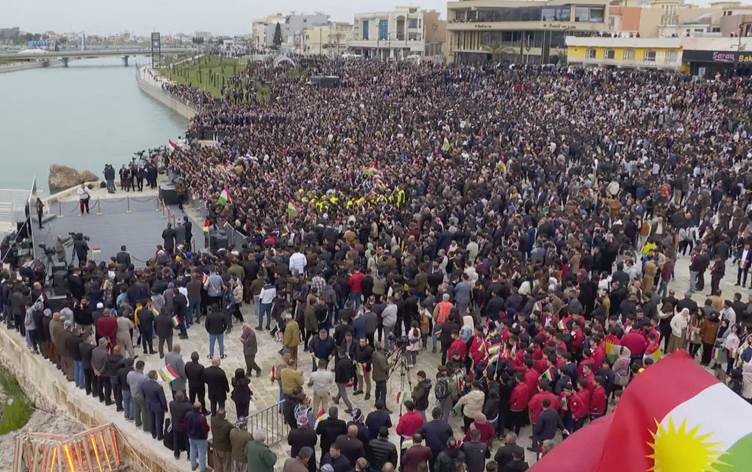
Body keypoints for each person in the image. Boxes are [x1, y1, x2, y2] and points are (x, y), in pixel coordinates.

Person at [418, 407, 453, 471]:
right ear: (440, 415)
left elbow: (418, 434)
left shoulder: (426, 426)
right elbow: (451, 436)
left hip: (431, 451)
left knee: (432, 467)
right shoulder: (446, 425)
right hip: (443, 451)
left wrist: (424, 436)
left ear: (432, 415)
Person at [141, 370, 167, 440]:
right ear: (155, 376)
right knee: (159, 421)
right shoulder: (158, 387)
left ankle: (153, 433)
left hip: (149, 404)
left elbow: (143, 395)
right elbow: (162, 400)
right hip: (158, 406)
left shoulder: (144, 384)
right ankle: (160, 436)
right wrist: (165, 408)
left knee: (151, 419)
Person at [186, 401, 210, 472]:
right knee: (201, 453)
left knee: (192, 450)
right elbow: (206, 428)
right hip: (200, 438)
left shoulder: (188, 415)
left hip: (191, 436)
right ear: (200, 408)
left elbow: (186, 425)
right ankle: (202, 469)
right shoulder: (202, 418)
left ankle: (193, 465)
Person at [169, 390, 192, 460]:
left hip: (175, 424)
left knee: (176, 440)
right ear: (183, 397)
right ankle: (189, 455)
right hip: (184, 426)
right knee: (187, 440)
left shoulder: (171, 404)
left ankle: (176, 454)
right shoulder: (188, 406)